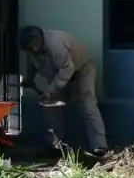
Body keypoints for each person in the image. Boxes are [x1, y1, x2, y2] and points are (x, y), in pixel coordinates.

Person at [18, 25, 109, 157]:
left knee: (87, 103)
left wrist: (50, 89)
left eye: (34, 45)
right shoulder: (31, 49)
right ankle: (54, 145)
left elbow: (67, 69)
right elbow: (32, 64)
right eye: (29, 49)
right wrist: (29, 79)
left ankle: (100, 146)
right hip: (58, 74)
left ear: (39, 38)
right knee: (52, 106)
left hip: (81, 68)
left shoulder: (55, 44)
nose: (33, 49)